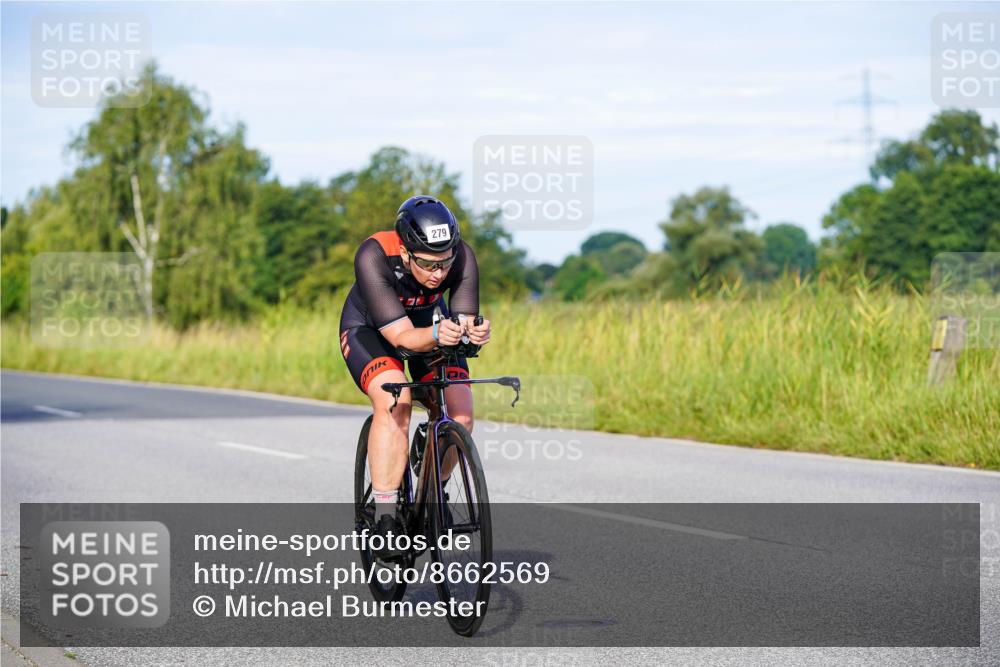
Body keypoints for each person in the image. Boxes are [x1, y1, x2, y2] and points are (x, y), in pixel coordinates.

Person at [339, 195, 491, 557]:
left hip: (429, 325)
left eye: (445, 262)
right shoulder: (374, 254)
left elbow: (463, 320)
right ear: (406, 254)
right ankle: (386, 516)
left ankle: (434, 486)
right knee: (397, 401)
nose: (438, 273)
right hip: (371, 331)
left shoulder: (462, 255)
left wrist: (474, 332)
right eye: (427, 264)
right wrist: (439, 333)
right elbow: (403, 339)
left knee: (461, 413)